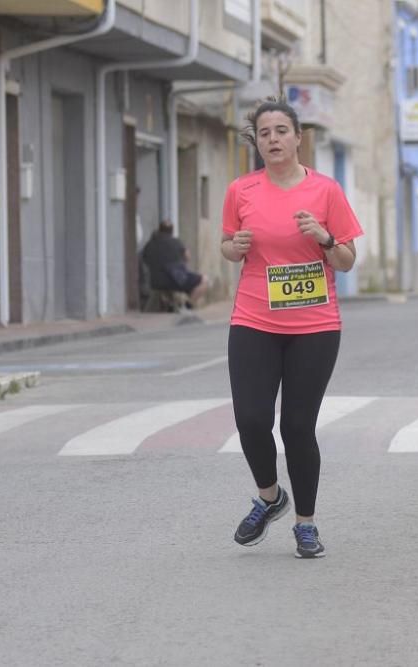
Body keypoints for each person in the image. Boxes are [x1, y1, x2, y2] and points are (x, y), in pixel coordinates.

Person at [222, 98, 362, 559]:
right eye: (265, 133)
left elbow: (345, 259)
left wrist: (323, 238)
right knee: (251, 419)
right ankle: (269, 497)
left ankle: (305, 523)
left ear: (298, 138)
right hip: (254, 318)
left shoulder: (325, 191)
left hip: (314, 326)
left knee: (298, 426)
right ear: (257, 142)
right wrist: (234, 246)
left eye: (282, 130)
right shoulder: (242, 190)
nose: (274, 139)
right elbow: (228, 247)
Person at [140, 220, 209, 308]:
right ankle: (189, 304)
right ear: (172, 231)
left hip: (155, 282)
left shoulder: (149, 244)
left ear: (159, 229)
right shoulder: (176, 242)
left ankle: (171, 304)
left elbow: (144, 259)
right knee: (205, 280)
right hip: (175, 280)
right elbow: (187, 257)